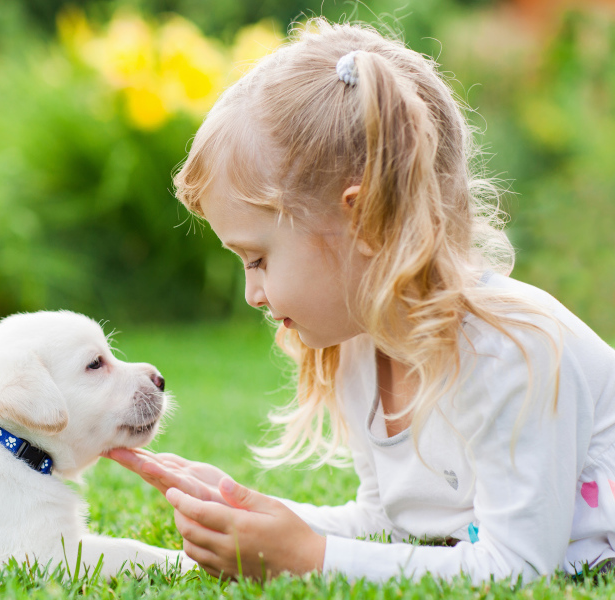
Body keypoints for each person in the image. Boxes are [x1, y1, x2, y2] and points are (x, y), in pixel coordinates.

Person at [106, 18, 615, 583]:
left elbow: (516, 568)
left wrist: (307, 559)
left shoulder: (511, 354)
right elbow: (386, 525)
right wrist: (243, 508)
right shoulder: (360, 347)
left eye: (258, 259)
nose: (252, 293)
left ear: (365, 220)